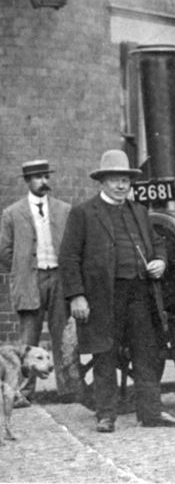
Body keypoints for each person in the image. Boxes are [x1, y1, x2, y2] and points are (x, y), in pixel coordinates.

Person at [59, 149, 175, 432]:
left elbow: (158, 243)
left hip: (140, 294)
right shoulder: (83, 213)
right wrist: (76, 296)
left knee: (147, 352)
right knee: (105, 353)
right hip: (103, 296)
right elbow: (69, 258)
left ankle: (151, 412)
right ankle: (106, 415)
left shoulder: (140, 212)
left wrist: (159, 261)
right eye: (115, 180)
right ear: (102, 182)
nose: (121, 186)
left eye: (125, 181)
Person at [0, 160, 74, 406]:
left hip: (59, 279)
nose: (44, 182)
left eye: (46, 177)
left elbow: (73, 246)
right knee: (28, 340)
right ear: (27, 181)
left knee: (62, 333)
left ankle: (68, 388)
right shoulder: (12, 213)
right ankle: (24, 392)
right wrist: (22, 269)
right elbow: (4, 251)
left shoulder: (64, 210)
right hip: (29, 281)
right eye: (38, 178)